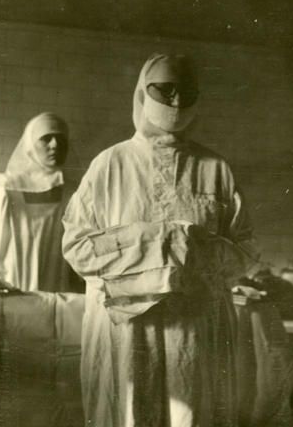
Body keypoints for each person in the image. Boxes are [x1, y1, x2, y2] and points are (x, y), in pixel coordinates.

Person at [62, 53, 257, 426]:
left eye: (186, 92)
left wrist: (198, 250)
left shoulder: (215, 170)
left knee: (191, 414)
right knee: (132, 412)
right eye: (165, 90)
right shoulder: (111, 165)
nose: (176, 101)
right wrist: (156, 244)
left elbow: (245, 251)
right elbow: (77, 247)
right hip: (128, 328)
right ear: (143, 92)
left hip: (195, 327)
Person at [0, 112, 72, 292]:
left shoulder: (71, 192)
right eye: (46, 138)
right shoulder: (7, 188)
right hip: (12, 285)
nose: (55, 145)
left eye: (60, 139)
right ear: (31, 144)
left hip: (57, 290)